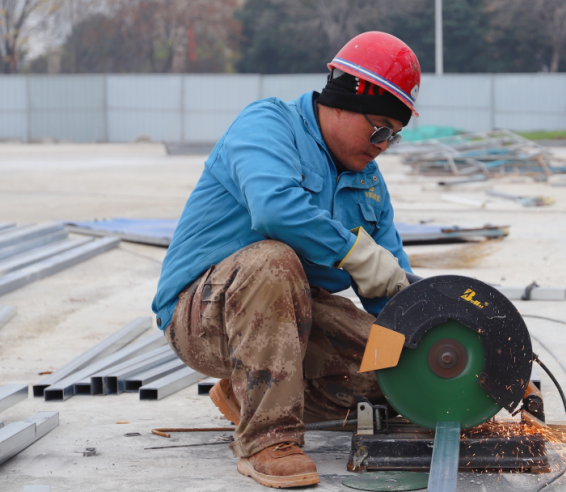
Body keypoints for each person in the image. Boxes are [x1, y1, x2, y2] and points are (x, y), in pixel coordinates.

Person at [151, 31, 421, 488]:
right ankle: (267, 439)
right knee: (274, 262)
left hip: (296, 315)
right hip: (203, 313)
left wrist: (453, 344)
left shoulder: (369, 183)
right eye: (378, 128)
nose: (382, 144)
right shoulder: (267, 125)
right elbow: (274, 209)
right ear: (340, 101)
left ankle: (249, 391)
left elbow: (393, 292)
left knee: (400, 375)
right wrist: (356, 253)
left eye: (392, 137)